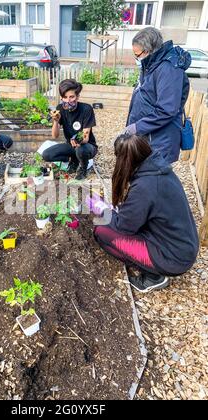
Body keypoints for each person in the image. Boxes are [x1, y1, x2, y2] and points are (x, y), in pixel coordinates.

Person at [93, 133, 199, 293]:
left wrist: (102, 208)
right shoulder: (159, 169)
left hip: (173, 258)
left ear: (124, 160)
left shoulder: (145, 187)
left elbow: (123, 227)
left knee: (102, 232)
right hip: (182, 246)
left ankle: (154, 276)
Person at [123, 27, 191, 164]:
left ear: (149, 50)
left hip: (160, 141)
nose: (137, 58)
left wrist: (138, 127)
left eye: (138, 54)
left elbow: (167, 110)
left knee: (155, 180)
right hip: (149, 136)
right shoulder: (152, 64)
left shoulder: (168, 69)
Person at [42, 79, 98, 180]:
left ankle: (83, 169)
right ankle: (74, 160)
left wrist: (77, 139)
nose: (68, 101)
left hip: (87, 146)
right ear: (62, 98)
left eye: (71, 97)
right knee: (46, 154)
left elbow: (85, 136)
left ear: (77, 97)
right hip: (70, 146)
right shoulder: (61, 108)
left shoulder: (86, 109)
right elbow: (55, 136)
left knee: (81, 150)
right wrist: (55, 121)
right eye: (65, 97)